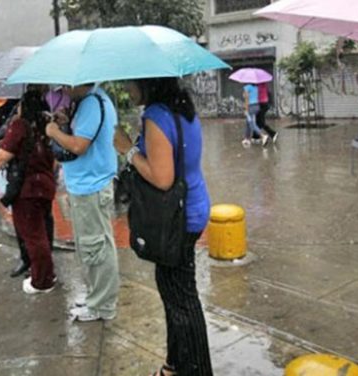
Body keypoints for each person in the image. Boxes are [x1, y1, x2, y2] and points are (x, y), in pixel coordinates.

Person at [114, 77, 213, 376]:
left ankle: (197, 371)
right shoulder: (180, 109)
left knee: (181, 300)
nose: (126, 89)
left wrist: (128, 149)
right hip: (190, 207)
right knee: (175, 292)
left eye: (129, 83)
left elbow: (162, 178)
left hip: (176, 218)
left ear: (147, 84)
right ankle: (174, 365)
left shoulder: (156, 116)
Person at [45, 83, 120, 321]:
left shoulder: (91, 103)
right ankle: (96, 297)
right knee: (91, 246)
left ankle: (102, 306)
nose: (64, 90)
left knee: (97, 247)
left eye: (66, 85)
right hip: (87, 185)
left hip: (91, 186)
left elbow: (79, 146)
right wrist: (66, 121)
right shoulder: (90, 101)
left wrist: (54, 132)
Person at [0, 90, 57, 294]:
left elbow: (2, 155)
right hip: (46, 184)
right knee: (43, 231)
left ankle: (42, 281)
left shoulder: (20, 126)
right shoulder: (47, 126)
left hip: (28, 188)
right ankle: (47, 272)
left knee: (33, 236)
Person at [242, 83, 268, 147]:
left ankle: (263, 136)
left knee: (252, 124)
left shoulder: (247, 87)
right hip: (257, 106)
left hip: (251, 107)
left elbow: (247, 100)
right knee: (248, 122)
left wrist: (246, 109)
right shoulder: (256, 87)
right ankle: (246, 139)